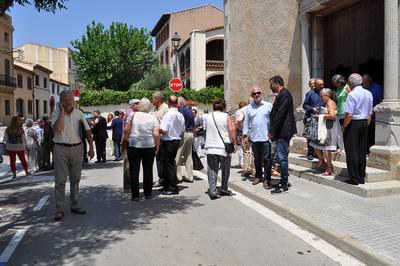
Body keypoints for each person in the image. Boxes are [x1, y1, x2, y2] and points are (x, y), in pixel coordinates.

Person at [52, 90, 94, 221]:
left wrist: (91, 147)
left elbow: (87, 130)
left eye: (71, 100)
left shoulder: (79, 113)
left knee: (76, 179)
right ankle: (59, 209)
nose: (69, 102)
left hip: (77, 148)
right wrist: (62, 112)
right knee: (60, 180)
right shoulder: (55, 113)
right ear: (61, 101)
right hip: (60, 148)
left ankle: (75, 205)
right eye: (65, 100)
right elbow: (58, 129)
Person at [123, 98, 160, 201]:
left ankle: (135, 195)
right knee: (148, 170)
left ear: (140, 106)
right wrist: (157, 146)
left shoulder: (132, 115)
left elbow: (126, 130)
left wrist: (126, 140)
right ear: (149, 107)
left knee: (134, 170)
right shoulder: (153, 118)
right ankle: (148, 193)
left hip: (134, 145)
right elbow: (156, 134)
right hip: (149, 146)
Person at [343, 73, 373, 185]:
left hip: (353, 123)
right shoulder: (368, 93)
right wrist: (366, 124)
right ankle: (361, 176)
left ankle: (354, 177)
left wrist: (344, 126)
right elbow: (370, 113)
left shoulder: (352, 95)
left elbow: (349, 114)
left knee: (352, 151)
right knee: (362, 151)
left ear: (350, 83)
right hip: (364, 122)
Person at [269, 76, 297, 194]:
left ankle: (284, 184)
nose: (270, 87)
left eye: (271, 84)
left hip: (283, 131)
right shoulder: (280, 94)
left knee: (282, 158)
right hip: (281, 131)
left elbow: (280, 114)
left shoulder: (285, 94)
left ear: (277, 83)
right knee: (281, 158)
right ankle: (283, 180)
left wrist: (272, 131)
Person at [205, 99, 236, 199]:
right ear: (223, 107)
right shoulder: (226, 116)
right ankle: (223, 188)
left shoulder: (208, 117)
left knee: (212, 169)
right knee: (225, 169)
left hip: (211, 146)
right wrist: (234, 142)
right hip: (224, 147)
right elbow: (231, 130)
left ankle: (213, 190)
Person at [242, 86, 273, 188]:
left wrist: (273, 132)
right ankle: (258, 176)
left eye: (258, 93)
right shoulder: (249, 108)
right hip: (254, 137)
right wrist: (245, 135)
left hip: (266, 137)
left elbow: (273, 121)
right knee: (257, 159)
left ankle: (267, 179)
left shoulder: (268, 105)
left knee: (267, 159)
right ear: (251, 95)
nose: (256, 95)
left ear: (261, 93)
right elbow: (246, 123)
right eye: (254, 93)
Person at [309, 89, 342, 175]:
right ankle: (322, 161)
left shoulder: (330, 103)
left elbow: (332, 115)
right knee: (316, 143)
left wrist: (319, 116)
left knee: (327, 149)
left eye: (322, 96)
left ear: (327, 95)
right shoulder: (326, 103)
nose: (321, 98)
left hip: (330, 128)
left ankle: (329, 168)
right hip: (325, 127)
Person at [159, 95, 185, 195]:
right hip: (176, 140)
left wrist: (157, 130)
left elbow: (164, 130)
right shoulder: (180, 115)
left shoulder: (168, 114)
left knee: (169, 164)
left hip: (168, 141)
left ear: (168, 103)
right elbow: (182, 130)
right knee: (168, 164)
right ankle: (167, 185)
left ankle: (172, 187)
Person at [303, 78, 324, 160]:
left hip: (322, 118)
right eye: (320, 85)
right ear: (315, 85)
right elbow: (305, 105)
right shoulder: (310, 94)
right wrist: (312, 109)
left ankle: (318, 153)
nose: (322, 86)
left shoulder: (324, 93)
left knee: (320, 136)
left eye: (323, 84)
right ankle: (310, 152)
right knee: (310, 136)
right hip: (311, 117)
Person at [121, 99, 140, 191]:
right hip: (128, 137)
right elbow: (127, 129)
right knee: (128, 162)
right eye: (137, 104)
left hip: (129, 137)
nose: (139, 105)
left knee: (131, 162)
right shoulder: (131, 113)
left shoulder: (131, 113)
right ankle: (128, 186)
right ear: (132, 105)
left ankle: (131, 184)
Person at [362, 74, 383, 154]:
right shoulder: (363, 88)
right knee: (366, 133)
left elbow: (381, 100)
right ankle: (366, 149)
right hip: (365, 115)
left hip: (375, 115)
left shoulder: (377, 88)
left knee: (373, 133)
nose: (364, 85)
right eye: (363, 83)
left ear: (370, 81)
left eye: (366, 83)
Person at [152, 91, 169, 187]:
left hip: (164, 138)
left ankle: (166, 179)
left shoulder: (166, 108)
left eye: (153, 98)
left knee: (164, 160)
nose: (152, 101)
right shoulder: (155, 109)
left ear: (157, 99)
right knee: (159, 160)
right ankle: (162, 178)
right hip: (157, 138)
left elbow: (168, 123)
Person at [176, 97, 195, 183]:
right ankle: (189, 176)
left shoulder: (180, 111)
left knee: (178, 155)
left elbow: (180, 124)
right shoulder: (190, 111)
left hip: (184, 134)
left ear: (180, 103)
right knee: (188, 156)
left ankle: (178, 176)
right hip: (191, 133)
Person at [234, 101, 247, 168]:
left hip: (240, 131)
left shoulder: (238, 111)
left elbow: (236, 122)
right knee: (246, 148)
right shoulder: (248, 109)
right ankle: (247, 163)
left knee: (240, 147)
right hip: (247, 130)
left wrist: (235, 131)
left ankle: (241, 162)